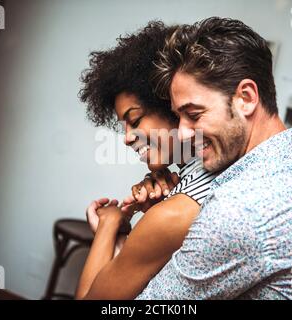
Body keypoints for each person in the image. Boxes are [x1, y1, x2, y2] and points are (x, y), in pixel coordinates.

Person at [131, 17, 292, 299]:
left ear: (246, 98)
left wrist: (116, 229)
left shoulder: (239, 211)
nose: (181, 135)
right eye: (179, 117)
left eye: (194, 115)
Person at [74, 22, 217, 300]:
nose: (127, 138)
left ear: (171, 107)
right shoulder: (194, 175)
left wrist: (109, 224)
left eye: (135, 120)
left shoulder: (189, 199)